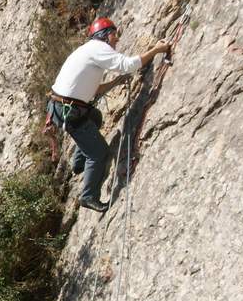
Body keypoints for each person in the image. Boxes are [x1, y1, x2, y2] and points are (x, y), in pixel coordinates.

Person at [43, 18, 171, 213]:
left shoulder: (87, 50)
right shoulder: (98, 49)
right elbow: (128, 64)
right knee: (98, 154)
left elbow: (91, 89)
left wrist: (115, 82)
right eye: (114, 34)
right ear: (104, 35)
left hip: (63, 107)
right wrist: (156, 50)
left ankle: (78, 163)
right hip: (70, 111)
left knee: (95, 118)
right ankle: (88, 196)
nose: (117, 39)